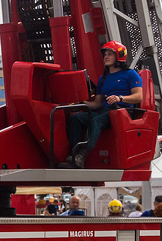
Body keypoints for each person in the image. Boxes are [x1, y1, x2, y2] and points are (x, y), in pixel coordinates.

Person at [59, 41, 143, 169]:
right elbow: (97, 104)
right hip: (104, 111)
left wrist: (119, 98)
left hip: (121, 112)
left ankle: (81, 156)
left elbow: (138, 96)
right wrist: (82, 102)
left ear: (119, 56)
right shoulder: (102, 79)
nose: (106, 57)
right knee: (75, 118)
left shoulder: (130, 74)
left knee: (96, 121)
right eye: (105, 54)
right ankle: (74, 156)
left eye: (110, 54)